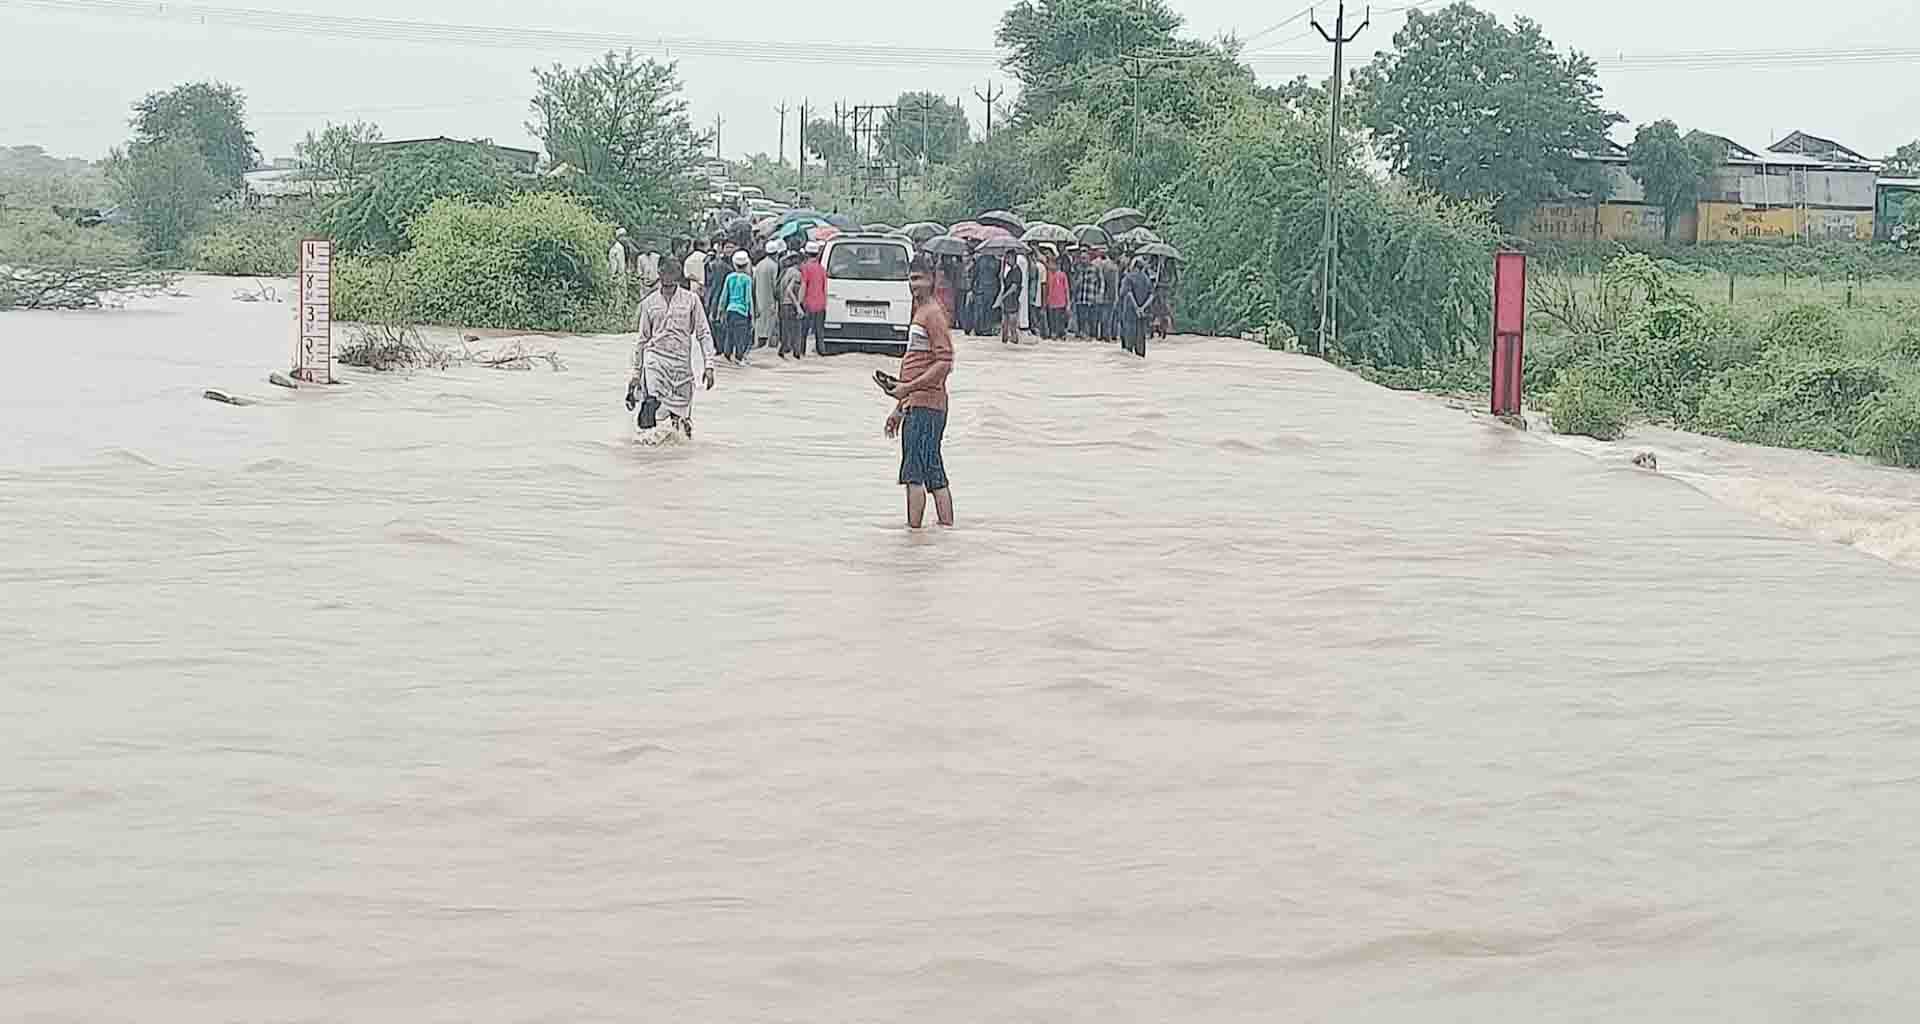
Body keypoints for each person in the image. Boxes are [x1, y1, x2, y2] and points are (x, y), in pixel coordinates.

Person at [884, 253, 956, 529]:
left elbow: (945, 362)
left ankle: (913, 535)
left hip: (928, 405)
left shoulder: (933, 315)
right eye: (910, 279)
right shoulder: (920, 312)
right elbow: (918, 362)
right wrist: (900, 407)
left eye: (919, 279)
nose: (914, 285)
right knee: (931, 471)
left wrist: (908, 388)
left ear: (933, 280)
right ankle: (942, 534)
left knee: (915, 474)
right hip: (917, 404)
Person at [629, 261, 716, 439]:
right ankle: (645, 443)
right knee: (651, 400)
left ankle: (676, 448)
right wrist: (636, 374)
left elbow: (703, 333)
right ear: (659, 272)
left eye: (672, 272)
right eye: (664, 271)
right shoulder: (649, 303)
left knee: (679, 417)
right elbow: (642, 340)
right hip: (655, 360)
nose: (667, 275)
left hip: (681, 365)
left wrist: (709, 365)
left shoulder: (691, 300)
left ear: (678, 274)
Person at [1116, 256, 1155, 358]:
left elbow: (1127, 294)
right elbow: (1151, 296)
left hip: (1129, 312)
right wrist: (1142, 308)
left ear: (1134, 266)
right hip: (1143, 313)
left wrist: (1136, 307)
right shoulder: (1147, 279)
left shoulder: (1128, 277)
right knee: (1140, 339)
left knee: (1128, 341)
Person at [722, 249, 754, 364]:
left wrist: (721, 311)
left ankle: (727, 354)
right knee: (741, 337)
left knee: (729, 334)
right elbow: (748, 298)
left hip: (730, 310)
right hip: (742, 312)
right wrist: (752, 315)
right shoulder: (747, 279)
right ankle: (739, 357)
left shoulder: (729, 277)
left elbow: (724, 296)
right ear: (746, 265)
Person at [800, 241, 828, 355]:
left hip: (808, 304)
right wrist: (825, 304)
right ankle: (821, 351)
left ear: (806, 254)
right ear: (817, 254)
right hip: (820, 305)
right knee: (819, 332)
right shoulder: (822, 269)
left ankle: (801, 352)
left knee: (803, 332)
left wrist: (799, 302)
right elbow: (825, 289)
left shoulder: (805, 268)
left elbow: (803, 286)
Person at [752, 241, 782, 352]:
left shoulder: (759, 265)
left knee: (760, 327)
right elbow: (775, 285)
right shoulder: (774, 266)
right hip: (771, 302)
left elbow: (754, 283)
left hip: (759, 300)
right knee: (770, 327)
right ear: (776, 254)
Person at [778, 247, 806, 359]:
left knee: (786, 330)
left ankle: (783, 350)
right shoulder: (797, 274)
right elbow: (789, 290)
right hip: (791, 305)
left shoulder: (786, 272)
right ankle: (797, 354)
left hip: (783, 304)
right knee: (797, 330)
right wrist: (798, 307)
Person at [1072, 248, 1101, 339]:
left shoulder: (1095, 268)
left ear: (1089, 258)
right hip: (1080, 297)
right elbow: (1073, 283)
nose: (1083, 260)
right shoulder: (1078, 268)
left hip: (1091, 297)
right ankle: (1081, 333)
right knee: (1081, 318)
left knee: (1092, 318)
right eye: (1082, 258)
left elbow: (1101, 281)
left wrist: (1099, 294)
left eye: (1085, 258)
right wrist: (1077, 281)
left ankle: (1093, 335)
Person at [996, 254, 1024, 345]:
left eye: (1008, 258)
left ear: (1013, 258)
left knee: (1012, 326)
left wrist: (1003, 297)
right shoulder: (1010, 271)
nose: (1007, 261)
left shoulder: (1017, 271)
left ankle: (1014, 341)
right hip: (1007, 301)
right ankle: (1004, 341)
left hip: (1013, 300)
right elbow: (1004, 283)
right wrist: (1002, 268)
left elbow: (1014, 287)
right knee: (1004, 325)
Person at [1096, 248, 1121, 342]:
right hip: (1111, 294)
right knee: (1108, 316)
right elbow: (1113, 284)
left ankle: (1103, 334)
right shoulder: (1112, 267)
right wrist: (1116, 296)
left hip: (1105, 293)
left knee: (1104, 316)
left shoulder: (1104, 264)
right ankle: (1107, 335)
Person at [1045, 253, 1069, 340]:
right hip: (1051, 301)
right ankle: (1054, 332)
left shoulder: (1062, 275)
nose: (1050, 266)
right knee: (1052, 319)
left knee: (1060, 319)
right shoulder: (1049, 275)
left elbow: (1066, 289)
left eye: (1052, 264)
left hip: (1061, 301)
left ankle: (1061, 333)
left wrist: (1067, 302)